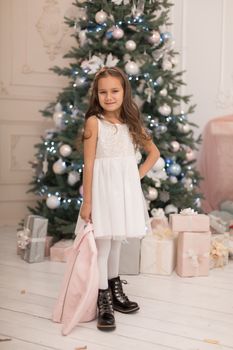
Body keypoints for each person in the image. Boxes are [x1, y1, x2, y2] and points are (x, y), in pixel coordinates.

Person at [78, 66, 160, 331]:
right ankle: (103, 299)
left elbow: (154, 153)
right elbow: (88, 165)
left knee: (115, 244)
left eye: (114, 90)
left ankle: (115, 289)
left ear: (124, 92)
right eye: (103, 92)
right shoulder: (94, 122)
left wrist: (134, 177)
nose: (109, 96)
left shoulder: (130, 121)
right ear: (96, 95)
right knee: (103, 245)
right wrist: (88, 202)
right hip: (101, 192)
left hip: (123, 193)